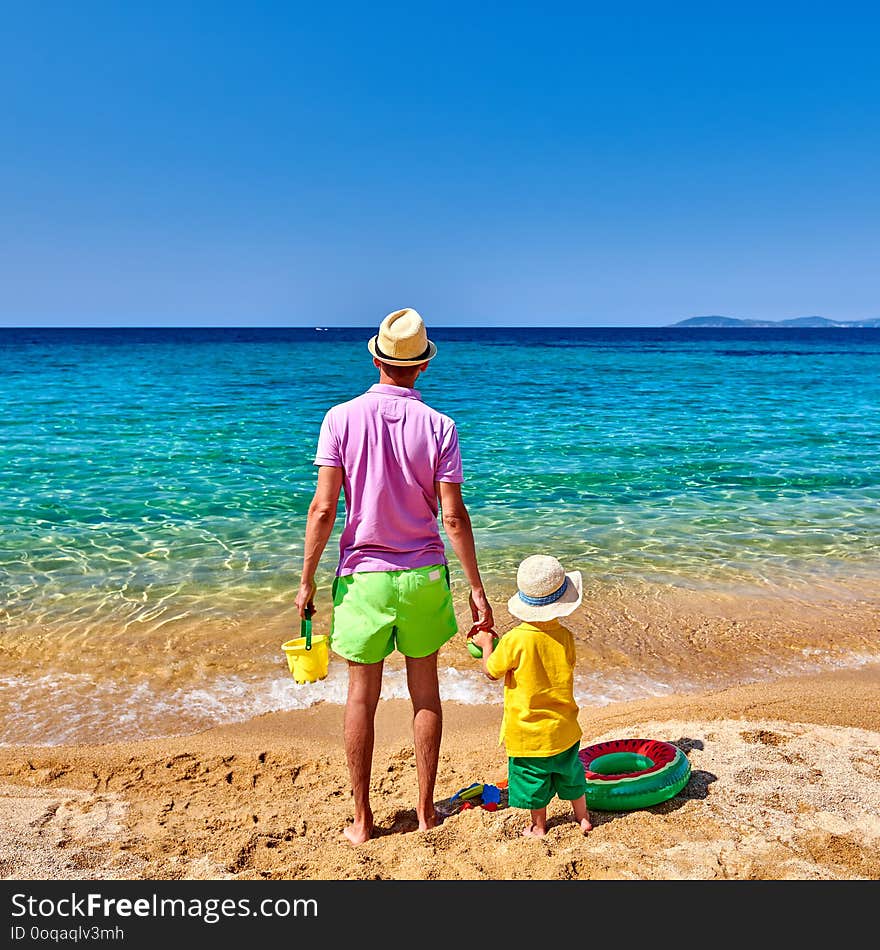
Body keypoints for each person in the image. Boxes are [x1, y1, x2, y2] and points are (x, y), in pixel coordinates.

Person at [295, 308, 494, 844]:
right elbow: (452, 517)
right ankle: (426, 812)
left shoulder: (339, 418)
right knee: (425, 693)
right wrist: (477, 589)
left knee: (361, 697)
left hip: (363, 577)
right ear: (423, 366)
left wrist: (308, 578)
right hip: (424, 575)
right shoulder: (441, 427)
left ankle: (362, 822)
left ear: (378, 358)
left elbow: (322, 509)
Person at [471, 554, 592, 838]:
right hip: (564, 729)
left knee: (532, 781)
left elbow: (491, 671)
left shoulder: (515, 640)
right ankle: (583, 818)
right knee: (572, 775)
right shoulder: (565, 637)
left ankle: (538, 827)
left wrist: (488, 644)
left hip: (528, 734)